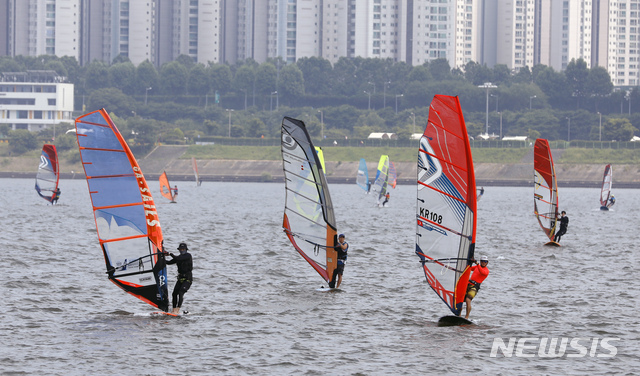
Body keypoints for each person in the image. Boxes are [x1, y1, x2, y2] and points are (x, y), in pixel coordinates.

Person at [165, 242, 193, 314]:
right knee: (174, 294)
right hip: (180, 278)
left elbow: (178, 258)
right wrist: (161, 257)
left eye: (183, 249)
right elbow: (168, 262)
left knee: (181, 292)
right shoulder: (178, 258)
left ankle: (177, 309)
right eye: (180, 249)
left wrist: (170, 254)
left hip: (188, 279)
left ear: (186, 249)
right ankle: (173, 310)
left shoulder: (188, 256)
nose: (182, 250)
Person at [462, 255, 490, 319]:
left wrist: (477, 264)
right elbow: (469, 268)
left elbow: (481, 272)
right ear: (480, 261)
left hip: (474, 287)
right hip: (468, 284)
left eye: (485, 261)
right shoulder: (477, 267)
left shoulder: (486, 271)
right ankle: (459, 315)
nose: (483, 262)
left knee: (468, 300)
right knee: (461, 299)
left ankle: (466, 317)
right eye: (482, 261)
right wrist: (468, 262)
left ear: (487, 262)